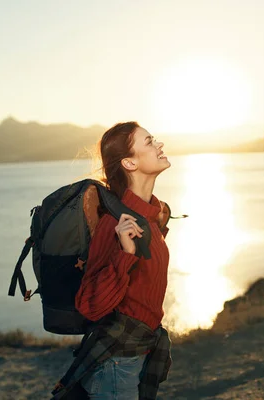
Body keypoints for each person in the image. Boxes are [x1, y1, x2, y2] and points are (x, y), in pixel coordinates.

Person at [74, 121, 172, 400]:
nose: (159, 145)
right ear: (129, 163)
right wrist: (124, 254)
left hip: (139, 353)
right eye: (149, 141)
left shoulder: (150, 216)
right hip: (116, 363)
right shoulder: (113, 225)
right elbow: (90, 306)